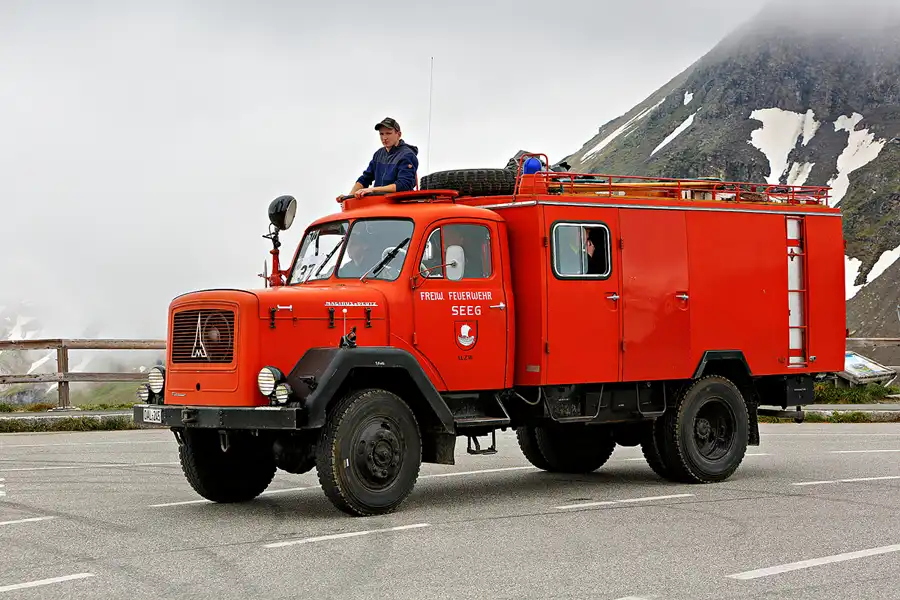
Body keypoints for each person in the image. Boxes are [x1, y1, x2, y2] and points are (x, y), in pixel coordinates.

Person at [344, 117, 419, 199]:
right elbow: (365, 179)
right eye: (381, 134)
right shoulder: (378, 154)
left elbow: (404, 185)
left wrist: (373, 190)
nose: (384, 138)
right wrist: (348, 197)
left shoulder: (407, 155)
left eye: (388, 133)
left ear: (399, 134)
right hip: (378, 202)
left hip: (398, 202)